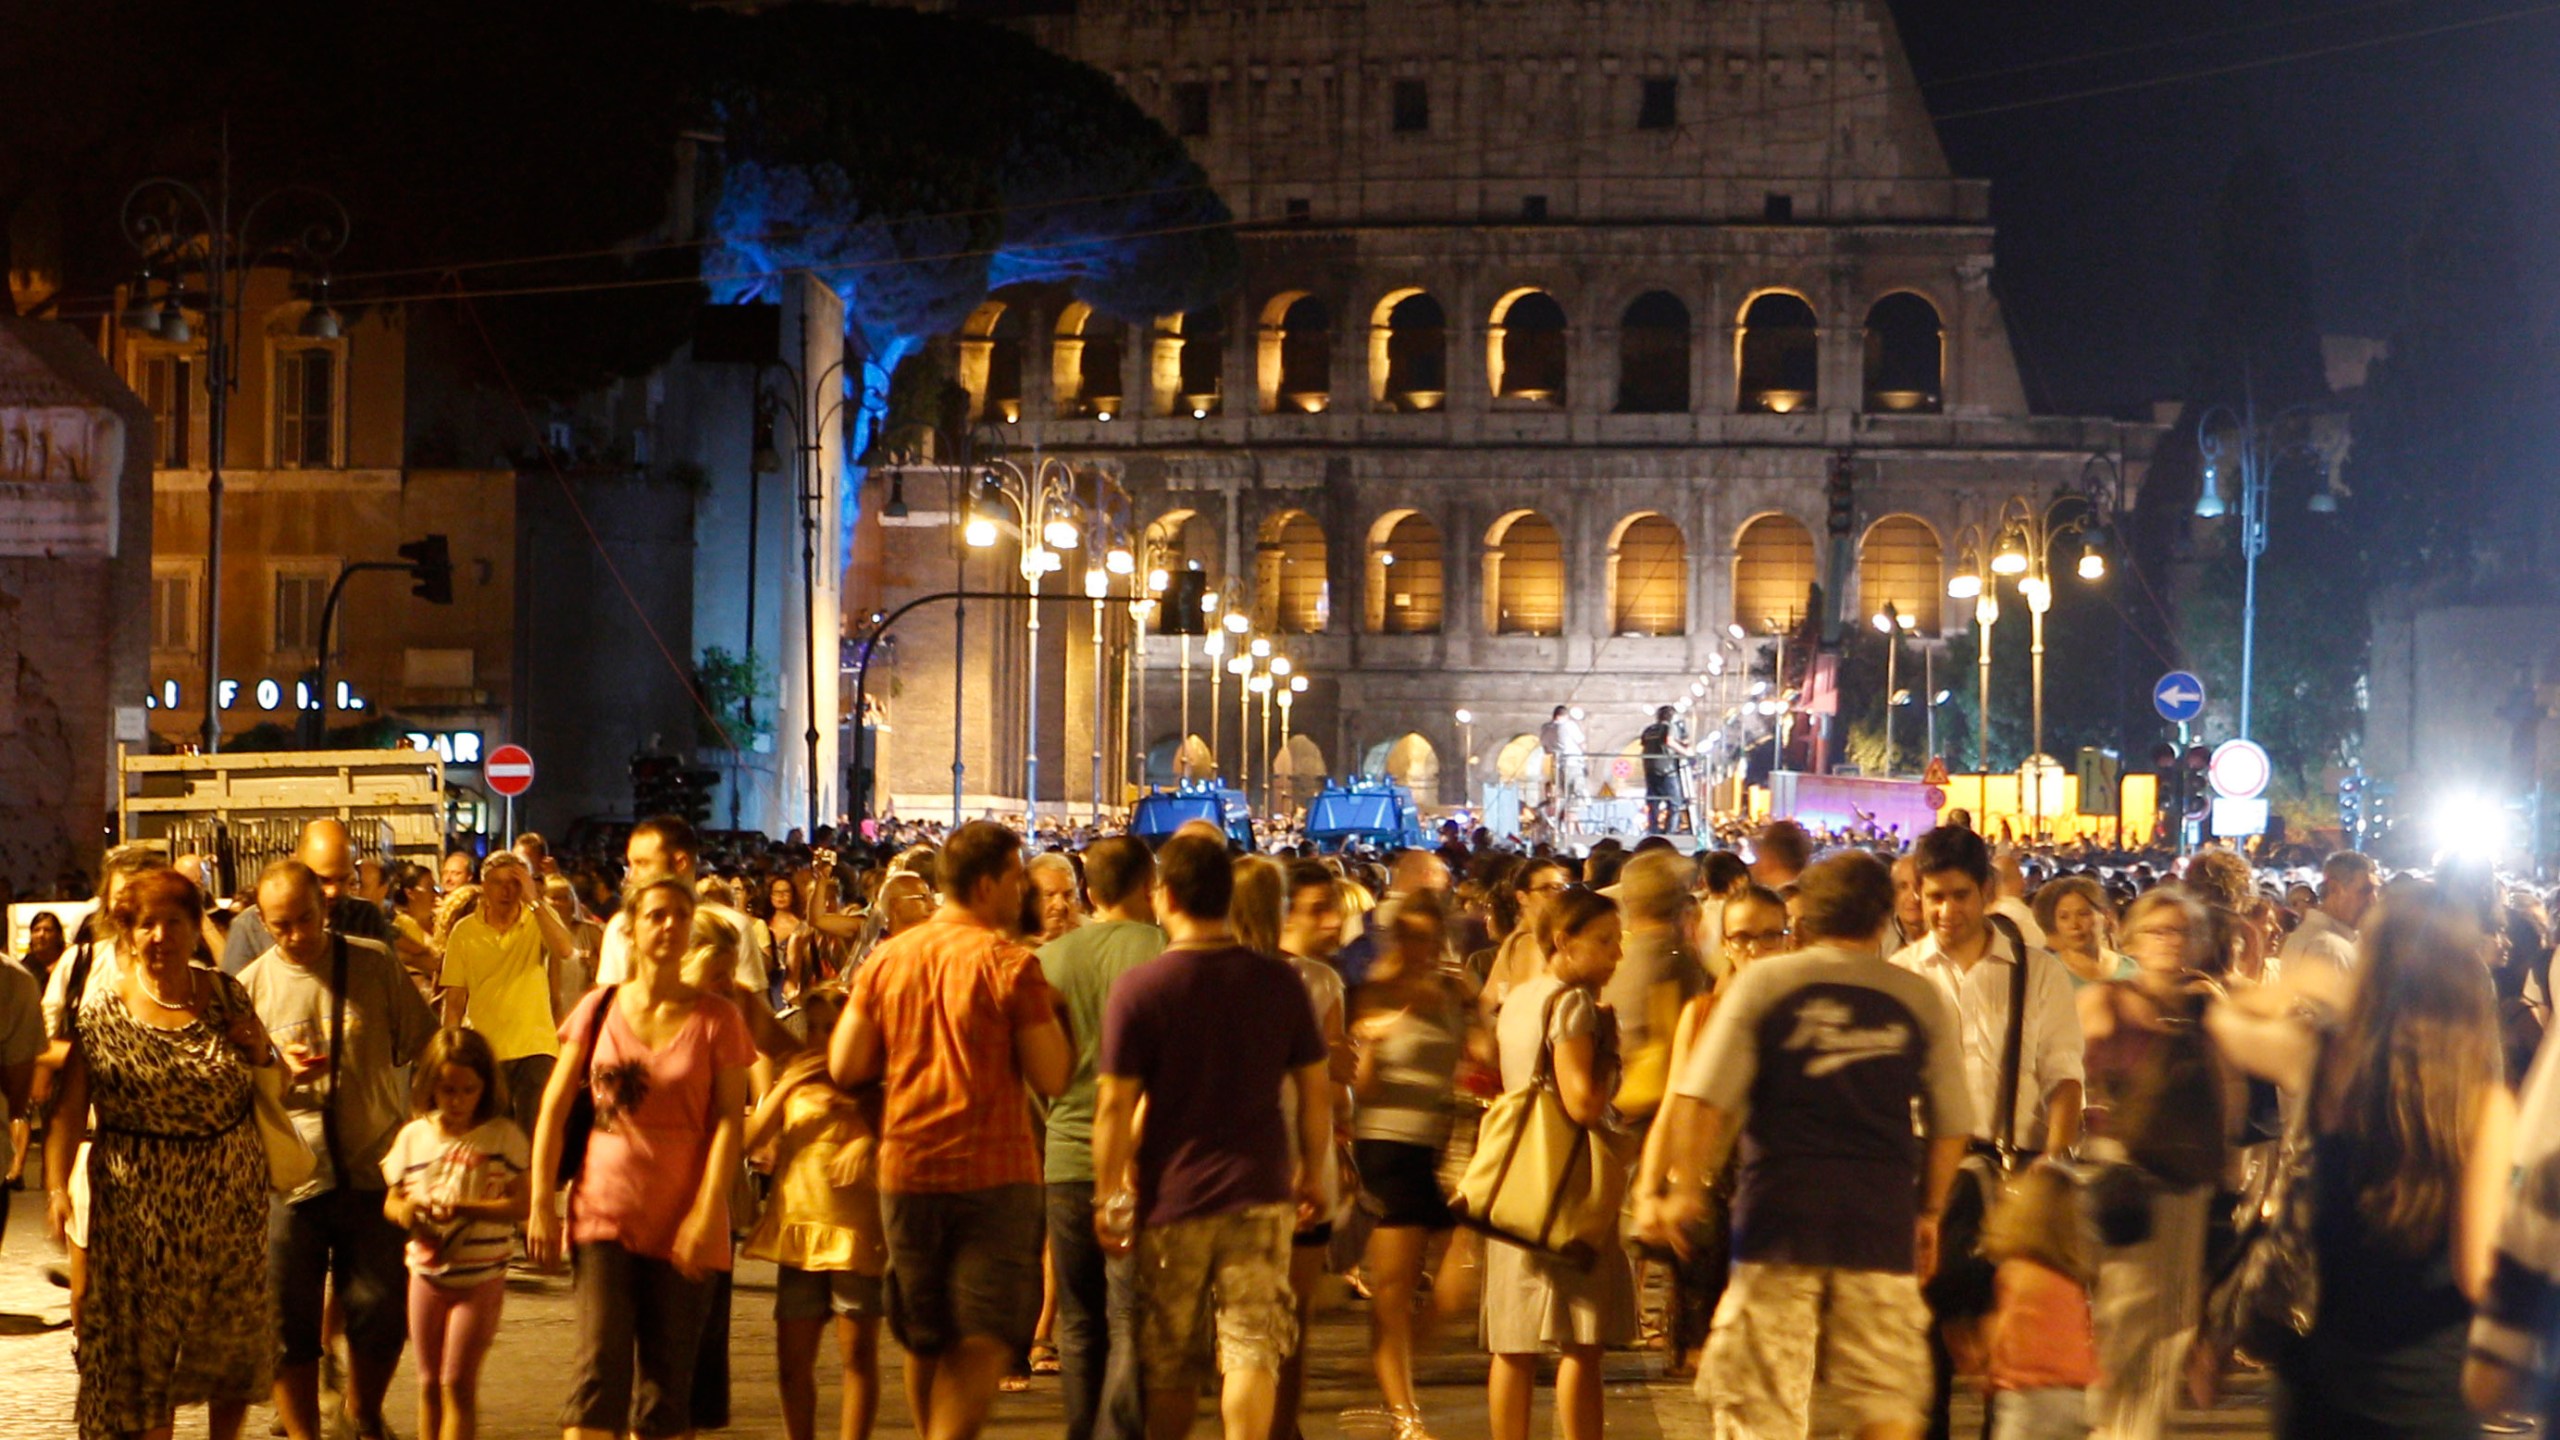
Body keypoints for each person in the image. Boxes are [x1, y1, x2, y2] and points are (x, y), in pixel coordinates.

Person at [1639, 851, 1974, 1440]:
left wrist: (1683, 1189)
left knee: (1762, 1406)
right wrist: (1930, 1213)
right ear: (1883, 917)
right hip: (1879, 1222)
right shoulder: (1917, 998)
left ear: (1806, 919)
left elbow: (1700, 1101)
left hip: (1777, 1223)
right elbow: (1951, 1125)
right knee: (1886, 1400)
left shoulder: (1764, 984)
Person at [2205, 882, 2513, 1437]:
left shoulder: (2326, 1060)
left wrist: (2306, 982)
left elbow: (2226, 1023)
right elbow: (2475, 1272)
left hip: (2322, 1376)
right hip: (2428, 1384)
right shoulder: (2483, 1103)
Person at [829, 820, 1072, 1440]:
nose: (1025, 892)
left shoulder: (888, 959)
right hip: (993, 1176)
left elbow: (846, 1064)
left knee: (924, 1332)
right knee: (985, 1336)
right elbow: (1051, 1074)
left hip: (908, 1171)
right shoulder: (1011, 966)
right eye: (1019, 878)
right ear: (989, 884)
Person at [1091, 830, 1330, 1440]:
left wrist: (1108, 1192)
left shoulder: (1141, 989)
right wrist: (1313, 1173)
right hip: (1261, 1190)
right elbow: (1315, 1091)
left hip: (1172, 1198)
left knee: (1171, 1358)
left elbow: (1115, 1107)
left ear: (1163, 896)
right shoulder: (1280, 984)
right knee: (1252, 1347)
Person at [46, 867, 279, 1440]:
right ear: (129, 932)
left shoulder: (226, 994)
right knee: (148, 1352)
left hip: (230, 1198)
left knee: (229, 1342)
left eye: (173, 922)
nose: (160, 936)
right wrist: (56, 1190)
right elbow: (71, 1108)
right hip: (140, 1206)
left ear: (195, 928)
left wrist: (263, 1052)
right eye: (147, 924)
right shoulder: (101, 1013)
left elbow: (273, 1082)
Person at [528, 886, 757, 1440]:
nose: (669, 926)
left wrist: (707, 1215)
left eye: (681, 916)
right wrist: (539, 1201)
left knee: (666, 1389)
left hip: (685, 1217)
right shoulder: (598, 1008)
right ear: (632, 927)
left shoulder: (717, 1019)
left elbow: (729, 1121)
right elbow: (555, 1106)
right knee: (597, 1375)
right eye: (656, 915)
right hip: (603, 1211)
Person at [239, 858, 441, 1440]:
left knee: (380, 1312)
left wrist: (426, 1136)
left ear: (325, 908)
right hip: (292, 1182)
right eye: (281, 926)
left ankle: (364, 1413)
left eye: (305, 920)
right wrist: (279, 1073)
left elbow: (427, 1049)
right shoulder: (251, 986)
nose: (295, 936)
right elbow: (240, 1084)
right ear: (262, 920)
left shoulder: (373, 965)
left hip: (374, 1170)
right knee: (286, 1321)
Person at [1479, 887, 1636, 1440]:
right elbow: (1582, 1103)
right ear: (1563, 941)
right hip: (1563, 1182)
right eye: (1604, 941)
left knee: (1514, 1343)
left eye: (1619, 941)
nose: (1616, 955)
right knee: (1579, 1338)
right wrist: (1612, 1057)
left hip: (1515, 1177)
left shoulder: (1519, 998)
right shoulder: (1572, 1004)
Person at [2076, 885, 2224, 1440]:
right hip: (2128, 1181)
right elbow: (2067, 1073)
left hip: (2189, 1181)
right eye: (2158, 931)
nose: (2169, 942)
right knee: (2125, 1324)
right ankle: (2111, 1429)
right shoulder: (2106, 1001)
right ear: (2131, 939)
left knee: (2177, 1329)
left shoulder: (2205, 1005)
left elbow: (2225, 1092)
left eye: (2181, 932)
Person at [1034, 837, 1166, 1440]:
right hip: (1144, 1159)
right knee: (1130, 1315)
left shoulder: (1052, 960)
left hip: (1066, 1151)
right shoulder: (1166, 951)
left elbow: (1037, 1064)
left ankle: (1082, 1431)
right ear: (1149, 885)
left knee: (1080, 1322)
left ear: (1089, 892)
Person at [1348, 892, 1472, 1440]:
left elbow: (1473, 1061)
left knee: (1452, 1291)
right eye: (1409, 936)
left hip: (1440, 1150)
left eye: (1428, 937)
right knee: (1394, 1290)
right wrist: (1369, 1041)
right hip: (1386, 1146)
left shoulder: (1449, 994)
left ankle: (1386, 1365)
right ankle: (1405, 1414)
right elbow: (1361, 1086)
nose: (1419, 948)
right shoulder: (1372, 992)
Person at [741, 987, 887, 1440]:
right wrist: (784, 1087)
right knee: (792, 1363)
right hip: (799, 1234)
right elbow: (746, 1140)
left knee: (857, 1358)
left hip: (854, 1234)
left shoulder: (874, 1087)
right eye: (815, 1027)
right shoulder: (796, 1079)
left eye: (833, 1027)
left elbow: (900, 1137)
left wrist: (868, 1141)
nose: (822, 1037)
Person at [1891, 826, 2084, 1157]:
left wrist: (2053, 1165)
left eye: (1960, 896)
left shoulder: (2039, 973)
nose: (1947, 912)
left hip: (2016, 1163)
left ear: (1986, 891)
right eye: (1936, 898)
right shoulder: (1901, 974)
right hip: (1924, 1159)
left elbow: (2063, 1074)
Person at [381, 1027, 531, 1440]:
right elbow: (391, 1201)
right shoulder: (414, 1137)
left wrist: (465, 1208)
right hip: (426, 1276)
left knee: (457, 1382)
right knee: (428, 1382)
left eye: (468, 1090)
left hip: (480, 1278)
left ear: (485, 1087)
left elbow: (522, 1206)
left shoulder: (503, 1138)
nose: (458, 1100)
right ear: (430, 1086)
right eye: (448, 1089)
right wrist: (408, 1211)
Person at [1268, 859, 1355, 1440]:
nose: (1332, 921)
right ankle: (1281, 1425)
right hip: (1303, 1169)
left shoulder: (1233, 975)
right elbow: (1337, 1087)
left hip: (1248, 1167)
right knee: (1290, 1318)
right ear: (1285, 912)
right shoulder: (1321, 983)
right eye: (1317, 909)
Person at [439, 850, 577, 1127]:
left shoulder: (538, 917)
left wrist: (535, 901)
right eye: (498, 882)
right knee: (491, 1139)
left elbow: (564, 949)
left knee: (533, 1135)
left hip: (535, 1047)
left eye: (515, 882)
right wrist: (448, 1054)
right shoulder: (465, 932)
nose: (507, 890)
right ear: (483, 886)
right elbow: (454, 1000)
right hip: (487, 1049)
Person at [1976, 1164, 2098, 1440]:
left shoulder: (2016, 1273)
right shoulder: (2071, 1281)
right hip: (2073, 1397)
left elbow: (2007, 1335)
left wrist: (1988, 1369)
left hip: (2027, 1400)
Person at [595, 815, 769, 997]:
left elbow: (754, 1013)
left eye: (642, 863)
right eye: (630, 864)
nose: (631, 876)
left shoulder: (733, 925)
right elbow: (608, 1005)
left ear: (680, 863)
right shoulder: (622, 926)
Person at [222, 819, 398, 974]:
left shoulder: (366, 918)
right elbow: (235, 1001)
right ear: (296, 863)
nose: (333, 891)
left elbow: (392, 986)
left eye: (343, 879)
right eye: (322, 879)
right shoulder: (248, 927)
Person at [2271, 849, 2378, 1008]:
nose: (2373, 901)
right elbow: (2328, 1024)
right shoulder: (2327, 948)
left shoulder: (2326, 940)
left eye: (2376, 891)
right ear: (2335, 888)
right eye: (2364, 891)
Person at [1476, 859, 1570, 1021]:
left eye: (1560, 887)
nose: (1556, 895)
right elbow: (1524, 1011)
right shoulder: (1529, 944)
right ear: (1522, 897)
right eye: (1546, 889)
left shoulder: (1527, 939)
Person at [2031, 875, 2131, 988]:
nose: (2074, 925)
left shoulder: (2130, 969)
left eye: (2083, 914)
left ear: (2105, 916)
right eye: (2064, 917)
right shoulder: (2046, 973)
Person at [1639, 705, 1692, 836]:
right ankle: (1670, 832)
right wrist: (1686, 751)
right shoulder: (1669, 727)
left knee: (1653, 803)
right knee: (1675, 803)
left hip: (1650, 769)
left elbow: (1645, 743)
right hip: (1667, 770)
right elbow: (1668, 740)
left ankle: (1653, 831)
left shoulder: (1649, 730)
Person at [1539, 706, 1587, 834]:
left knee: (1565, 797)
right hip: (1572, 764)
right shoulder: (1569, 725)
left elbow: (1545, 748)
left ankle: (1572, 830)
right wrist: (1585, 757)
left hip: (1557, 765)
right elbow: (1582, 742)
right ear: (1565, 715)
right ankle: (1571, 833)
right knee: (1575, 797)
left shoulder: (1545, 728)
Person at [1028, 852, 1086, 945]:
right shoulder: (1014, 951)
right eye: (1049, 895)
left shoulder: (1092, 939)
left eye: (1068, 895)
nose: (1060, 905)